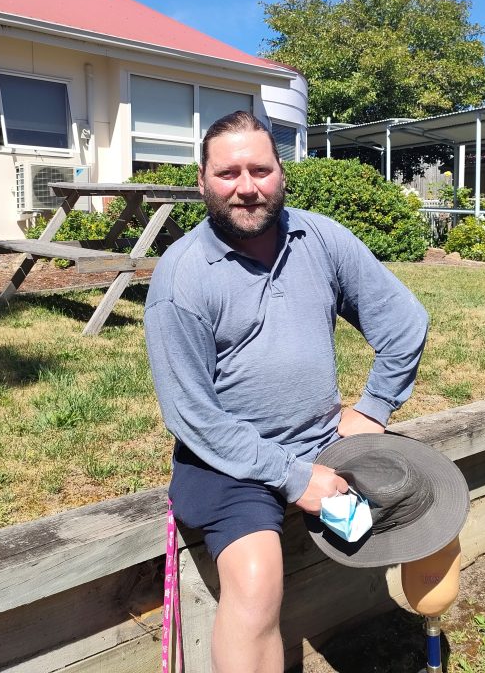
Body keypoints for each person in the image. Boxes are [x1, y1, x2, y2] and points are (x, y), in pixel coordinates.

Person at [144, 111, 429, 672]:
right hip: (227, 460)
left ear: (282, 174)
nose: (246, 188)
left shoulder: (320, 238)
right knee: (256, 587)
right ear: (202, 181)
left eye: (260, 170)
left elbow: (403, 322)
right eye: (228, 174)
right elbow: (191, 416)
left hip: (325, 440)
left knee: (429, 502)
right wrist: (298, 480)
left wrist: (374, 408)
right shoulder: (181, 278)